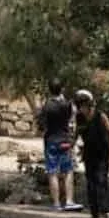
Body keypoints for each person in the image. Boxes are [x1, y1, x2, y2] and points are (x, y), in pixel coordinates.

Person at [73, 89, 109, 218]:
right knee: (91, 184)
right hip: (89, 154)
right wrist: (71, 144)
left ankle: (103, 214)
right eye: (79, 106)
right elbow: (77, 133)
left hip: (102, 154)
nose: (81, 109)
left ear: (88, 105)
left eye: (83, 106)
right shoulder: (79, 118)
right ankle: (94, 214)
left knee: (101, 182)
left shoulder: (100, 116)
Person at [37, 79, 82, 211]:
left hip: (51, 140)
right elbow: (72, 118)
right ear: (61, 89)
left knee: (52, 172)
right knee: (68, 171)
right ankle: (69, 201)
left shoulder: (46, 106)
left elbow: (41, 125)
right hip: (65, 141)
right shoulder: (67, 105)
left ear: (49, 90)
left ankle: (56, 204)